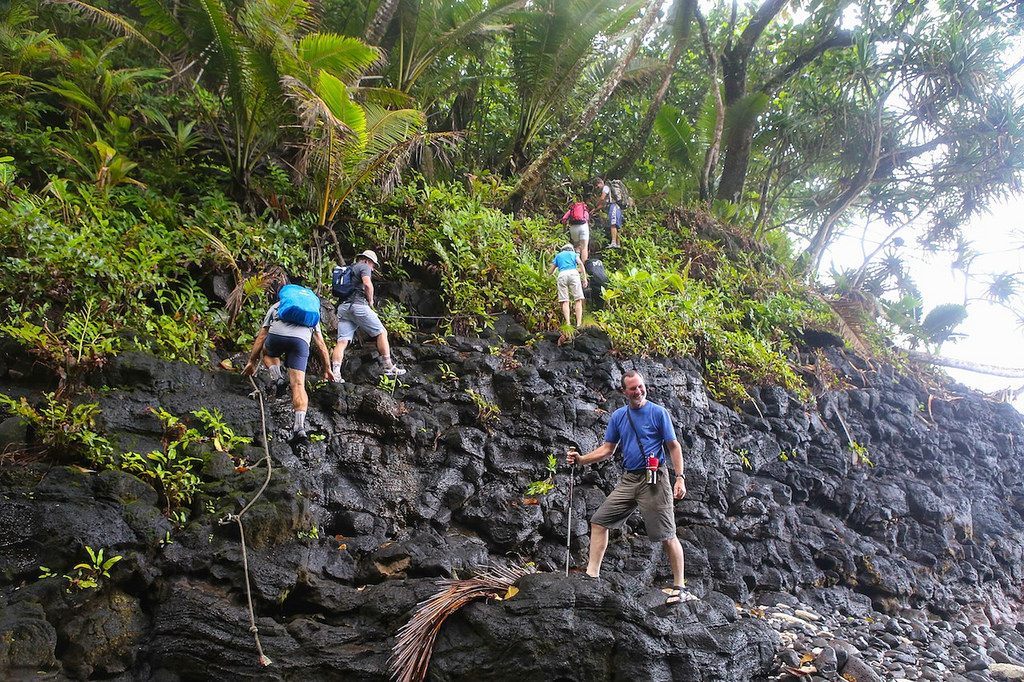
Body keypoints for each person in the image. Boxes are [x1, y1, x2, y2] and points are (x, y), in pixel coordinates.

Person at [566, 370, 697, 604]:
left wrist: (680, 478)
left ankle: (679, 587)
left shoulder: (658, 413)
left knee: (667, 534)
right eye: (633, 388)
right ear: (624, 391)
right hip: (630, 479)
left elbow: (674, 446)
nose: (638, 391)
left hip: (655, 479)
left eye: (640, 387)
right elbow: (608, 449)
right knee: (599, 520)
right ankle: (592, 575)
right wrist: (582, 459)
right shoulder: (618, 416)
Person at [242, 277, 335, 441]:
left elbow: (261, 336)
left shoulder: (277, 307)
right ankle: (299, 428)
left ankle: (277, 378)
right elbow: (320, 344)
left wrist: (252, 361)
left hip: (278, 336)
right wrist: (327, 368)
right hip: (301, 343)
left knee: (269, 352)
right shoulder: (311, 313)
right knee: (299, 385)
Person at [331, 249, 407, 381]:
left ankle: (335, 373)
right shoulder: (364, 266)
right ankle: (388, 366)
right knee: (381, 332)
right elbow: (367, 284)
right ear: (367, 260)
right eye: (373, 265)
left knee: (342, 341)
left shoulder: (349, 269)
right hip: (358, 306)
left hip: (343, 308)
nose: (372, 269)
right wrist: (370, 300)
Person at [548, 243, 588, 327]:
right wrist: (584, 277)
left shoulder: (558, 256)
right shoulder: (573, 254)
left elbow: (550, 271)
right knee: (578, 300)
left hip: (562, 275)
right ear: (571, 249)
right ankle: (578, 323)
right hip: (573, 274)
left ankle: (568, 323)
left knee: (565, 301)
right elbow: (580, 264)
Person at [594, 177, 623, 249]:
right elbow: (603, 204)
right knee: (617, 225)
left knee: (613, 224)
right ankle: (618, 243)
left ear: (601, 183)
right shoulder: (609, 193)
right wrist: (594, 210)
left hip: (613, 207)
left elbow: (602, 198)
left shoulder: (606, 187)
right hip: (617, 207)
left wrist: (596, 205)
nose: (597, 187)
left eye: (597, 185)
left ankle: (613, 242)